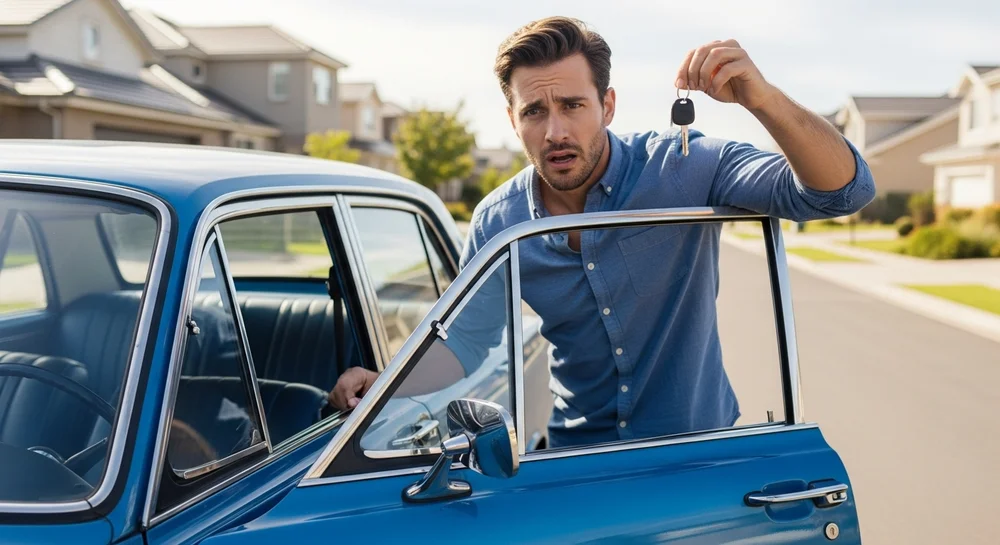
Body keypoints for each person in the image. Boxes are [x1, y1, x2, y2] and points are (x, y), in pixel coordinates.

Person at [329, 16, 876, 449]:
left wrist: (762, 98)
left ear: (607, 105)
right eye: (535, 111)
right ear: (512, 118)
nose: (556, 131)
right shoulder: (500, 220)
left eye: (573, 105)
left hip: (698, 455)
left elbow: (841, 193)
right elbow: (469, 341)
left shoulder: (685, 165)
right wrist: (387, 384)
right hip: (576, 461)